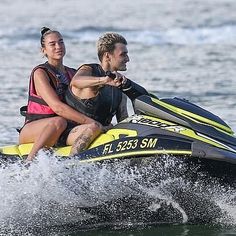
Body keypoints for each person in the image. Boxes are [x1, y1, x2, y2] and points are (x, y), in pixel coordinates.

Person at [19, 27, 102, 161]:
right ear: (43, 50)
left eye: (61, 42)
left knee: (94, 128)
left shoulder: (73, 73)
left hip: (64, 128)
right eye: (52, 44)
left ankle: (74, 165)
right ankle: (30, 163)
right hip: (35, 128)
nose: (58, 46)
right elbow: (57, 107)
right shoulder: (40, 73)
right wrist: (88, 120)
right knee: (59, 121)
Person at [65, 32, 148, 129]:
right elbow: (76, 81)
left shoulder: (119, 85)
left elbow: (123, 122)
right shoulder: (90, 70)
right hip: (71, 134)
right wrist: (104, 80)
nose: (127, 59)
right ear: (107, 56)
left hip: (101, 136)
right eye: (123, 54)